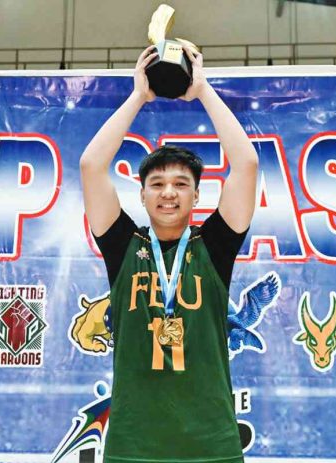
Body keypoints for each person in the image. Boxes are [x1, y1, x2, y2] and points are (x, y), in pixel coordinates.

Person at [79, 44, 258, 462]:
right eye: (157, 184)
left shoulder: (214, 245)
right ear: (141, 196)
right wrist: (138, 96)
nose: (168, 193)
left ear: (197, 195)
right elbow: (91, 165)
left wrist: (203, 91)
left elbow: (245, 163)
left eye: (181, 184)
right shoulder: (123, 244)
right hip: (133, 443)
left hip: (211, 442)